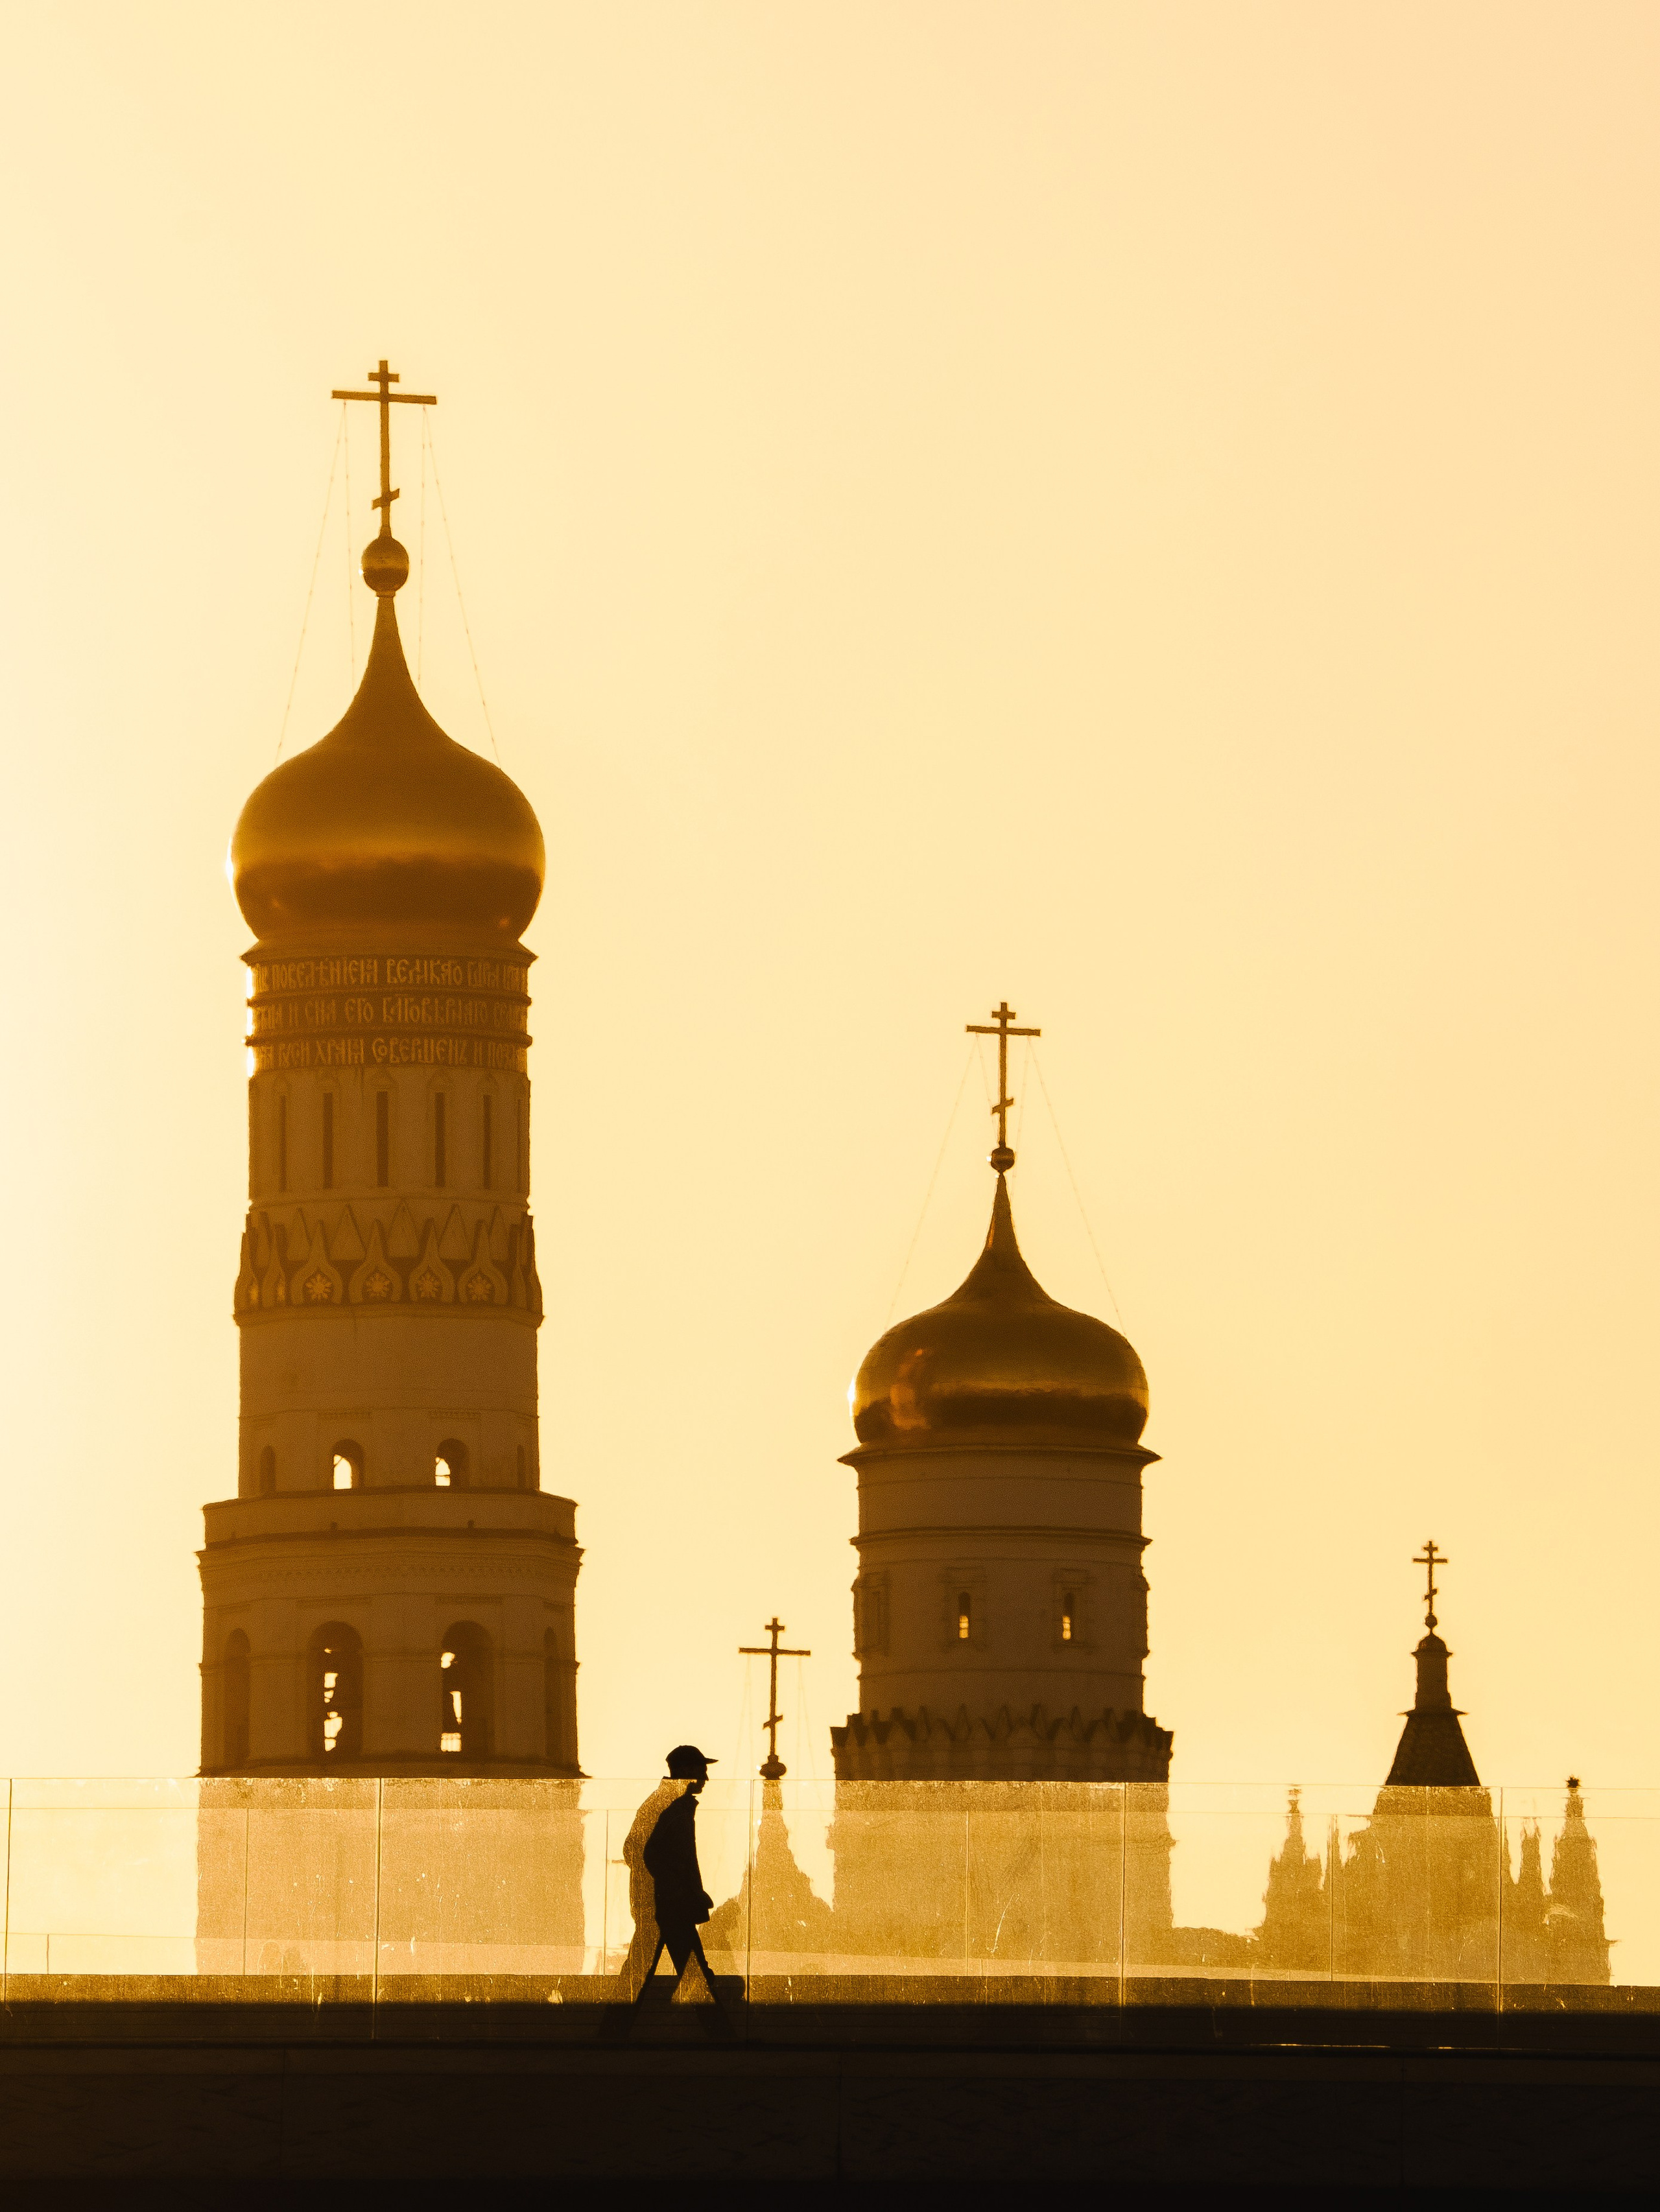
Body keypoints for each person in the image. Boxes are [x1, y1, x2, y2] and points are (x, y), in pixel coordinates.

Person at [625, 1744, 735, 2027]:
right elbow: (638, 1850)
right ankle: (721, 2036)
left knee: (647, 1974)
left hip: (662, 1905)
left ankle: (611, 2032)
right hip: (667, 1908)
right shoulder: (674, 1805)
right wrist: (676, 1890)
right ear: (687, 1772)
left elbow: (637, 1850)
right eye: (702, 1771)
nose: (706, 1779)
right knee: (692, 1972)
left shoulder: (666, 1802)